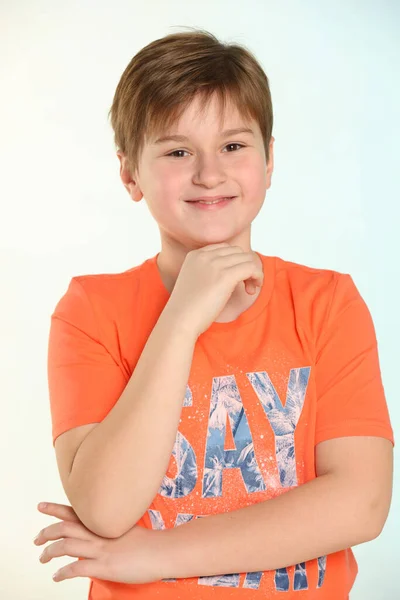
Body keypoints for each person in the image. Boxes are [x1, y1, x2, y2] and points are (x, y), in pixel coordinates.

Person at [39, 27, 394, 599]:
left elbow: (361, 503)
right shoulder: (90, 311)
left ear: (269, 159)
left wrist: (153, 555)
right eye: (178, 151)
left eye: (233, 145)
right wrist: (181, 319)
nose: (209, 172)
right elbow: (105, 508)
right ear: (129, 173)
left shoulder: (328, 303)